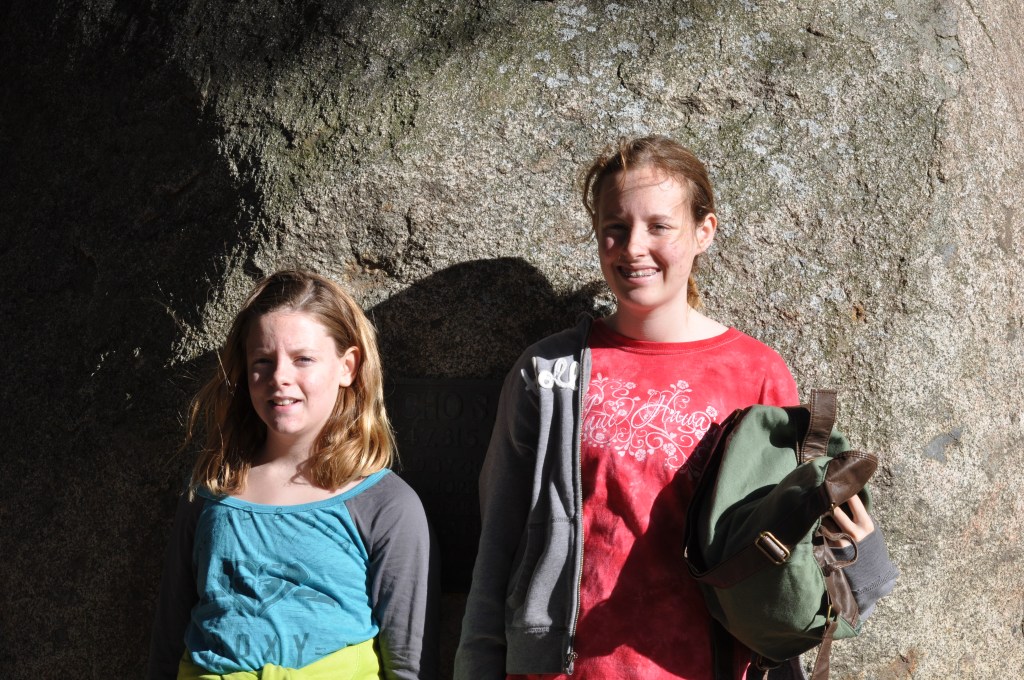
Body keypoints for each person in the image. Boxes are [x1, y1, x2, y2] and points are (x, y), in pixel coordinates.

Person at [453, 136, 897, 680]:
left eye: (658, 226)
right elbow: (497, 547)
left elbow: (787, 556)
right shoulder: (549, 372)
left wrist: (860, 560)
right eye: (615, 227)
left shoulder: (755, 373)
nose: (633, 246)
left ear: (703, 231)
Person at [148, 270, 438, 680]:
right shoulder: (211, 491)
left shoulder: (386, 504)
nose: (280, 377)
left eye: (303, 359)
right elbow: (167, 640)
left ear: (348, 367)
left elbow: (410, 664)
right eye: (262, 361)